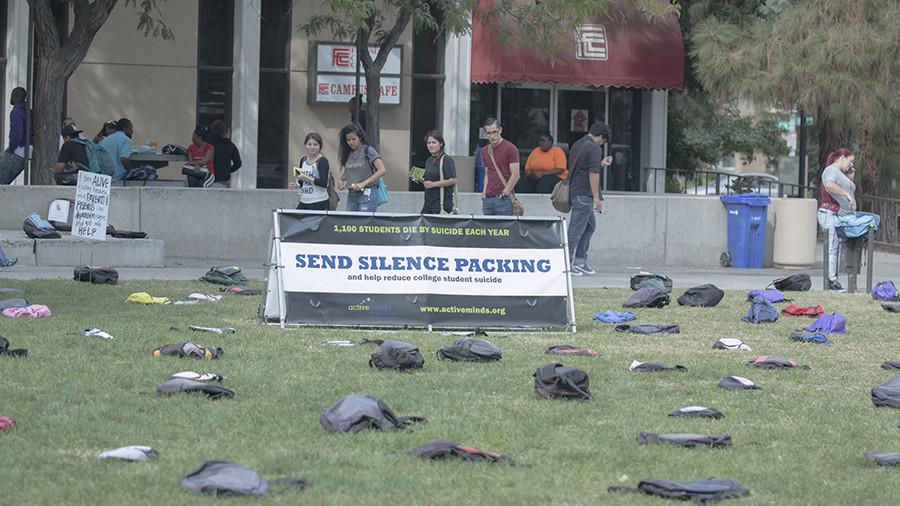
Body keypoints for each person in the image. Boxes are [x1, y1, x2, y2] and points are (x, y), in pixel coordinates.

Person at [566, 122, 613, 276]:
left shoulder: (578, 143)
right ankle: (567, 263)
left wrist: (601, 164)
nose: (602, 144)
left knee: (589, 226)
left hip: (575, 191)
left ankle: (580, 260)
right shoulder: (594, 148)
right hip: (584, 194)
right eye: (603, 141)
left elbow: (582, 167)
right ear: (601, 137)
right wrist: (597, 199)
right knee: (575, 230)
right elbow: (593, 174)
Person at [817, 148, 856, 291]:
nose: (851, 165)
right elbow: (829, 184)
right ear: (842, 158)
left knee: (834, 247)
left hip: (834, 214)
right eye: (850, 161)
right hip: (828, 213)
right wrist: (846, 194)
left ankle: (832, 278)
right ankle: (831, 280)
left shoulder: (837, 172)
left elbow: (843, 184)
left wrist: (849, 176)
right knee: (832, 248)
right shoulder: (831, 170)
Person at [337, 124, 385, 212]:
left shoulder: (368, 150)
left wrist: (363, 183)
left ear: (360, 138)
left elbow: (382, 170)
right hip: (352, 194)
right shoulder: (347, 154)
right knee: (351, 222)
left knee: (365, 222)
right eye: (348, 140)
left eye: (353, 139)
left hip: (368, 192)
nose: (351, 142)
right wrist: (341, 182)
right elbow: (344, 175)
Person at [480, 118, 520, 215]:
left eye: (495, 132)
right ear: (485, 133)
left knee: (504, 229)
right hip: (488, 198)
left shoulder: (510, 148)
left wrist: (504, 193)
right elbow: (487, 173)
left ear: (500, 130)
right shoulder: (485, 150)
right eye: (489, 133)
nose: (492, 136)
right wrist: (484, 193)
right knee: (488, 230)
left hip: (503, 199)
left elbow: (516, 174)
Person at [289, 132, 331, 210]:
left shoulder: (322, 161)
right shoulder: (303, 160)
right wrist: (297, 185)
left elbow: (324, 183)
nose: (312, 147)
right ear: (305, 145)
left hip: (318, 201)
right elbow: (303, 182)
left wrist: (306, 177)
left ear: (320, 146)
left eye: (315, 145)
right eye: (309, 144)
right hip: (304, 200)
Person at [420, 130, 457, 214]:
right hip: (428, 204)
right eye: (429, 143)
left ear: (441, 144)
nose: (431, 145)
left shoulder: (446, 159)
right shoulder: (428, 160)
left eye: (434, 142)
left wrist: (433, 184)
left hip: (442, 205)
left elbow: (453, 180)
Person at [0, 87, 31, 185]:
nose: (10, 97)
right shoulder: (28, 111)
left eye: (11, 95)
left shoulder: (17, 112)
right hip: (26, 150)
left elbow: (17, 133)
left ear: (16, 96)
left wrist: (11, 149)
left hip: (19, 151)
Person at [208, 119, 241, 188]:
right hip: (224, 178)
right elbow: (238, 163)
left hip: (210, 177)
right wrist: (228, 170)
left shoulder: (209, 143)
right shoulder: (230, 145)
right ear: (225, 132)